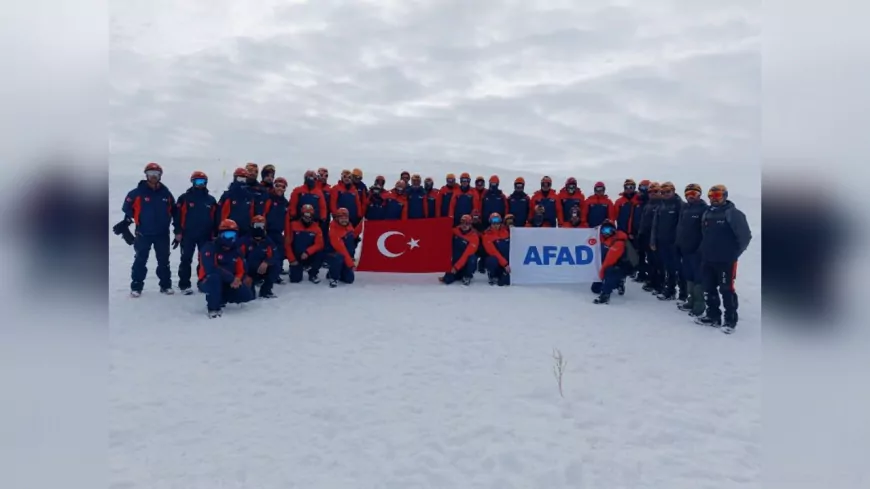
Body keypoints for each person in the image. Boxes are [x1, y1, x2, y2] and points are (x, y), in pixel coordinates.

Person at [694, 184, 752, 334]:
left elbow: (745, 237)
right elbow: (704, 234)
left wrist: (734, 254)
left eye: (718, 195)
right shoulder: (707, 213)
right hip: (708, 259)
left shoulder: (733, 213)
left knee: (727, 289)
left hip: (726, 260)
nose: (714, 199)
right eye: (712, 196)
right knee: (709, 288)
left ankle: (730, 319)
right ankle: (713, 316)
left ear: (725, 196)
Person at [122, 162, 177, 297]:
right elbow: (127, 208)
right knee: (140, 260)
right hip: (143, 233)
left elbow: (174, 211)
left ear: (160, 176)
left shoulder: (166, 194)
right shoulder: (136, 193)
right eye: (151, 174)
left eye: (156, 174)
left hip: (162, 234)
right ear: (146, 175)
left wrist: (178, 230)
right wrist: (129, 221)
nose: (153, 176)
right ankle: (136, 287)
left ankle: (165, 285)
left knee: (164, 261)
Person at [197, 219, 254, 318]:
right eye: (227, 235)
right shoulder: (209, 248)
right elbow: (211, 268)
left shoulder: (237, 250)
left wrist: (238, 279)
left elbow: (241, 269)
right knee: (214, 278)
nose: (230, 239)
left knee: (247, 295)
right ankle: (213, 308)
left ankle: (222, 297)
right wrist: (231, 278)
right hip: (208, 280)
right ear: (220, 234)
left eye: (233, 235)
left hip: (229, 282)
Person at [173, 170, 217, 295]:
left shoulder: (210, 200)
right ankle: (184, 284)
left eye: (202, 181)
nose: (200, 184)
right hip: (188, 235)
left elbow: (216, 218)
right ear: (192, 182)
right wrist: (177, 231)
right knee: (186, 259)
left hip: (205, 235)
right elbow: (177, 217)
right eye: (197, 181)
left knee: (204, 259)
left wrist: (214, 234)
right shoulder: (184, 198)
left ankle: (202, 281)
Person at [675, 183, 708, 317]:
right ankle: (690, 300)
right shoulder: (685, 208)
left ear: (699, 195)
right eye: (688, 194)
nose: (690, 197)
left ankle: (699, 305)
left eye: (693, 194)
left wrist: (701, 248)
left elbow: (706, 231)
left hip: (697, 251)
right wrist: (678, 244)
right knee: (688, 276)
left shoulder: (704, 209)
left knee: (698, 277)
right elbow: (680, 228)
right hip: (685, 249)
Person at [650, 181, 684, 300]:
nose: (665, 194)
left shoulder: (679, 205)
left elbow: (682, 225)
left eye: (668, 191)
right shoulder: (661, 205)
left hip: (674, 242)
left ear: (673, 191)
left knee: (677, 268)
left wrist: (679, 241)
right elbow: (655, 224)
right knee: (667, 267)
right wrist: (653, 240)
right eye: (663, 192)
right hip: (662, 241)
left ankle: (682, 293)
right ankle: (669, 289)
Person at [238, 215, 280, 299]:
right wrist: (244, 275)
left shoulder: (268, 241)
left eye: (261, 225)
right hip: (247, 271)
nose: (259, 228)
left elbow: (275, 256)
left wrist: (267, 262)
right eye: (257, 225)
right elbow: (238, 259)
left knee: (276, 266)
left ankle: (266, 290)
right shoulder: (243, 241)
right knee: (249, 297)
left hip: (261, 269)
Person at [591, 220, 630, 304]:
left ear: (613, 230)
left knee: (610, 271)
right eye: (603, 230)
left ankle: (605, 295)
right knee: (595, 289)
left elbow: (609, 261)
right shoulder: (604, 239)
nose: (606, 233)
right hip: (609, 264)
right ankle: (617, 283)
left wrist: (601, 275)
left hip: (620, 267)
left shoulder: (619, 242)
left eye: (608, 230)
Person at [286, 204, 325, 284]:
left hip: (309, 255)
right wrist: (292, 259)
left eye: (309, 216)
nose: (307, 218)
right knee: (295, 279)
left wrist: (307, 252)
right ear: (301, 215)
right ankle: (296, 267)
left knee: (320, 252)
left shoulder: (317, 228)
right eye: (305, 215)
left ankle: (313, 273)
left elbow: (319, 244)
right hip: (296, 256)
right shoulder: (293, 225)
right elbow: (287, 244)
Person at [439, 214, 480, 285]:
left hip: (465, 263)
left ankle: (467, 276)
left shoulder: (474, 237)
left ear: (470, 224)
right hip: (455, 260)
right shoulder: (454, 231)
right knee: (447, 280)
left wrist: (456, 267)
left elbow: (466, 254)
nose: (464, 225)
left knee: (472, 258)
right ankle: (456, 275)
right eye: (463, 223)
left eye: (467, 223)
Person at [262, 176, 289, 282]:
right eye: (278, 186)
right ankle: (265, 274)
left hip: (278, 231)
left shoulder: (285, 203)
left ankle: (276, 273)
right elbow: (263, 213)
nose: (280, 189)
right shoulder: (269, 199)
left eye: (283, 187)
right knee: (268, 252)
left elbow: (286, 218)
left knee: (279, 252)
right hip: (267, 231)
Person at [326, 207, 361, 288]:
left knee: (349, 280)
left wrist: (362, 224)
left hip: (345, 255)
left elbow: (353, 235)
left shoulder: (349, 226)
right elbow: (342, 250)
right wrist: (350, 264)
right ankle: (333, 277)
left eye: (345, 218)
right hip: (334, 255)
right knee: (338, 257)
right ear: (337, 218)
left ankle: (338, 270)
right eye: (341, 218)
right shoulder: (333, 231)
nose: (344, 220)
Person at [639, 182, 663, 293]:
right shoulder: (648, 205)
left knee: (659, 262)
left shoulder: (662, 204)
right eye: (650, 192)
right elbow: (643, 221)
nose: (652, 194)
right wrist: (641, 233)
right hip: (647, 236)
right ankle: (652, 280)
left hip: (658, 237)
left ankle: (659, 284)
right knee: (651, 260)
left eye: (656, 191)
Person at [217, 167, 255, 235]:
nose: (241, 181)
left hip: (245, 232)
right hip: (229, 230)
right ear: (235, 178)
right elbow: (220, 213)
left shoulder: (249, 196)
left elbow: (251, 214)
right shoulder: (228, 195)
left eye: (244, 179)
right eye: (239, 179)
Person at [482, 213, 511, 286]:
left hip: (506, 260)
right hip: (498, 261)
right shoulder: (486, 235)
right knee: (491, 260)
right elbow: (493, 252)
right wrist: (505, 264)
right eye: (493, 222)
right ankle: (492, 275)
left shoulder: (506, 232)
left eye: (498, 222)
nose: (496, 224)